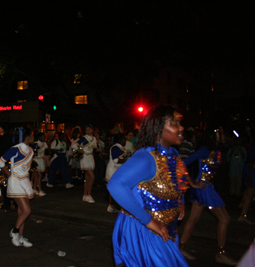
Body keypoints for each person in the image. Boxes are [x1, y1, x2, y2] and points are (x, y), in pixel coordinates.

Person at [107, 105, 189, 267]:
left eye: (180, 123)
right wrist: (148, 220)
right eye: (174, 123)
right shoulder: (147, 158)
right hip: (142, 230)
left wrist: (181, 201)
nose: (181, 127)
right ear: (158, 128)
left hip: (167, 230)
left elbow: (178, 181)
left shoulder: (174, 154)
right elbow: (116, 185)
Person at [179, 129, 238, 265]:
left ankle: (181, 248)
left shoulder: (216, 148)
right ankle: (220, 254)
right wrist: (192, 183)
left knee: (193, 219)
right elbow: (182, 163)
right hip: (204, 187)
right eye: (221, 133)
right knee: (225, 218)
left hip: (207, 187)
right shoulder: (205, 150)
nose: (224, 135)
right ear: (214, 135)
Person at [0, 127, 34, 247]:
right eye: (32, 135)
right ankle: (14, 231)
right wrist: (8, 173)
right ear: (27, 137)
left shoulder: (31, 150)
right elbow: (0, 162)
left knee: (21, 211)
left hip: (25, 181)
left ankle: (21, 238)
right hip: (16, 181)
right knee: (27, 210)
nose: (33, 137)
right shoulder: (16, 149)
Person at [105, 133, 131, 213]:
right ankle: (113, 206)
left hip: (118, 171)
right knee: (114, 189)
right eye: (123, 139)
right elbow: (116, 160)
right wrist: (128, 160)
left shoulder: (122, 148)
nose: (125, 141)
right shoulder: (115, 148)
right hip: (112, 170)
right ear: (119, 140)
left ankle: (113, 206)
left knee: (115, 189)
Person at [73, 125, 97, 203]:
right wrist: (81, 151)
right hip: (85, 158)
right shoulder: (84, 138)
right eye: (86, 130)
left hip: (91, 157)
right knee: (92, 177)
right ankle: (89, 195)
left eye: (89, 129)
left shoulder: (94, 138)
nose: (88, 131)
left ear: (92, 130)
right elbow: (75, 146)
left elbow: (94, 148)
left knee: (87, 178)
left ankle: (85, 195)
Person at [238, 128, 255, 225]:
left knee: (249, 191)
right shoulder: (253, 145)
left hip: (251, 169)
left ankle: (242, 205)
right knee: (251, 191)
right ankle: (243, 214)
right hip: (252, 170)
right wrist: (251, 175)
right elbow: (251, 161)